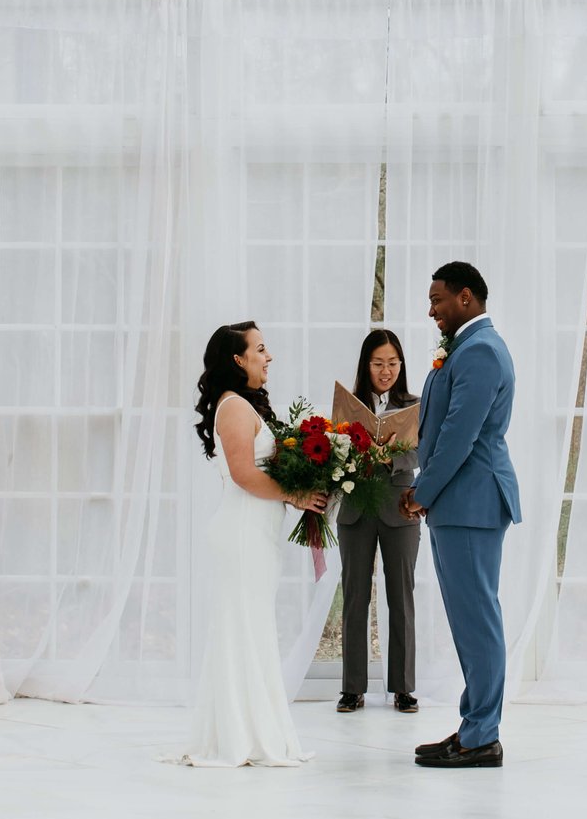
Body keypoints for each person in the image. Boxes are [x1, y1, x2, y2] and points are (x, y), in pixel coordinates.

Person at [170, 321, 331, 768]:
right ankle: (243, 736)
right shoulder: (234, 407)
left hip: (255, 532)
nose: (269, 356)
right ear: (238, 360)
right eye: (260, 349)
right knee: (242, 627)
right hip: (241, 532)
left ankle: (250, 731)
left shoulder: (242, 404)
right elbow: (243, 474)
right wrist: (296, 494)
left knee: (251, 627)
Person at [404, 262, 519, 769]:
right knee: (469, 622)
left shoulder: (481, 352)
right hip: (458, 504)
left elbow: (458, 436)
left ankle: (483, 737)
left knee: (478, 622)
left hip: (470, 502)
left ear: (465, 297)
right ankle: (474, 726)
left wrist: (420, 492)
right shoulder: (468, 349)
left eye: (437, 300)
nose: (431, 310)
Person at [336, 329, 421, 714]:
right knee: (355, 597)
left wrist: (392, 457)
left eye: (392, 363)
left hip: (400, 507)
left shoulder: (415, 405)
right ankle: (352, 689)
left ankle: (403, 688)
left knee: (400, 597)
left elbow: (424, 451)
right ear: (365, 366)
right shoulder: (350, 405)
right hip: (356, 507)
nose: (385, 371)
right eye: (377, 363)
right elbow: (335, 453)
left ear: (400, 366)